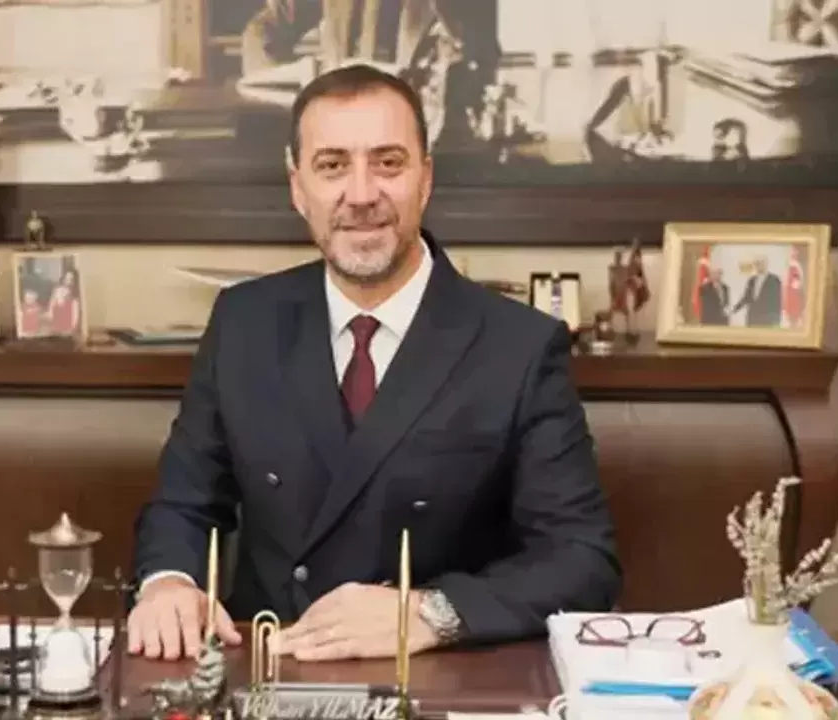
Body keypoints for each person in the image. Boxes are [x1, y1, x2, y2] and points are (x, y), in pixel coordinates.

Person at [128, 64, 620, 663]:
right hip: (270, 662)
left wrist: (430, 613)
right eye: (332, 166)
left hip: (435, 675)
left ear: (425, 179)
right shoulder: (243, 322)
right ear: (297, 186)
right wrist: (168, 584)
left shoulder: (519, 345)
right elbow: (183, 504)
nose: (361, 195)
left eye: (388, 163)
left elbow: (581, 559)